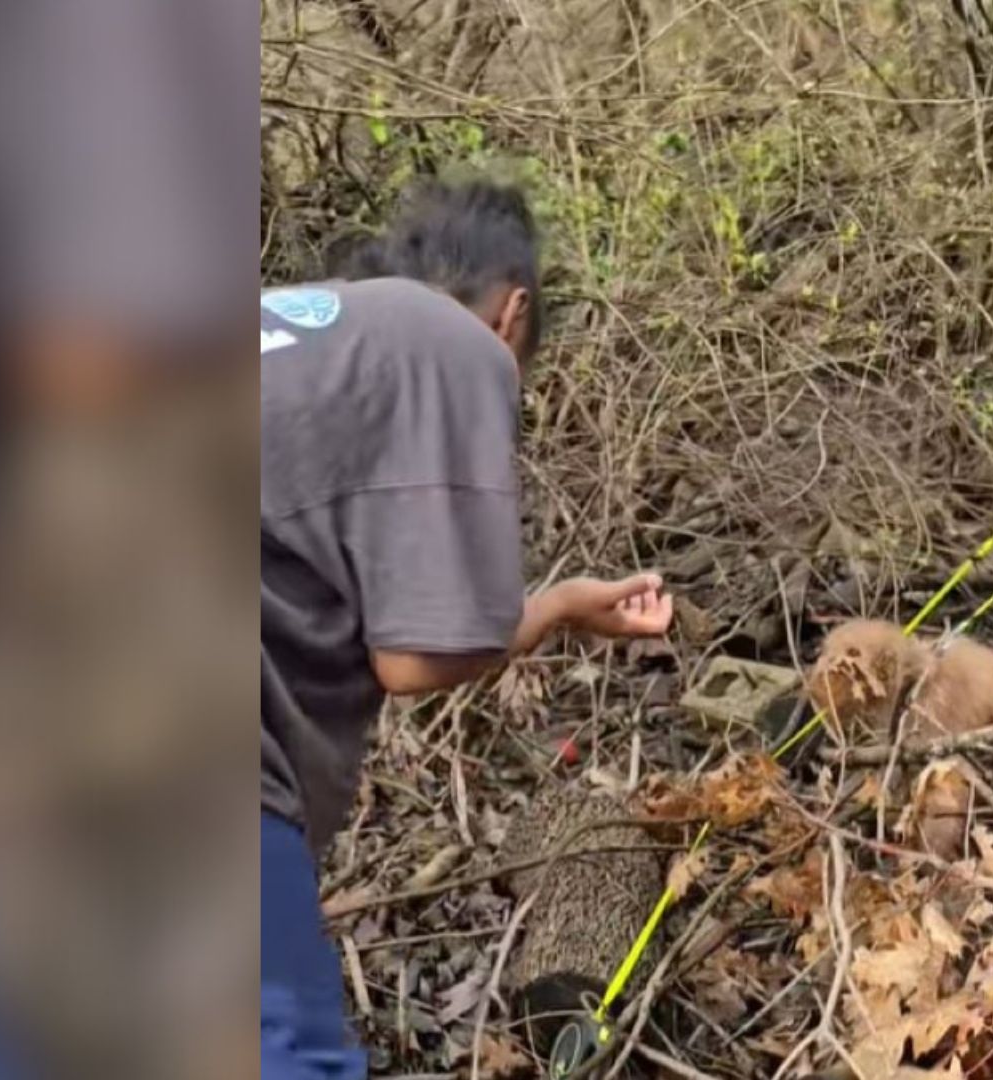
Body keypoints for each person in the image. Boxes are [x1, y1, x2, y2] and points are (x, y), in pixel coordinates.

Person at [259, 180, 672, 1078]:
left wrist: (559, 605)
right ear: (513, 312)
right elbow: (411, 658)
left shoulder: (299, 332)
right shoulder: (453, 346)